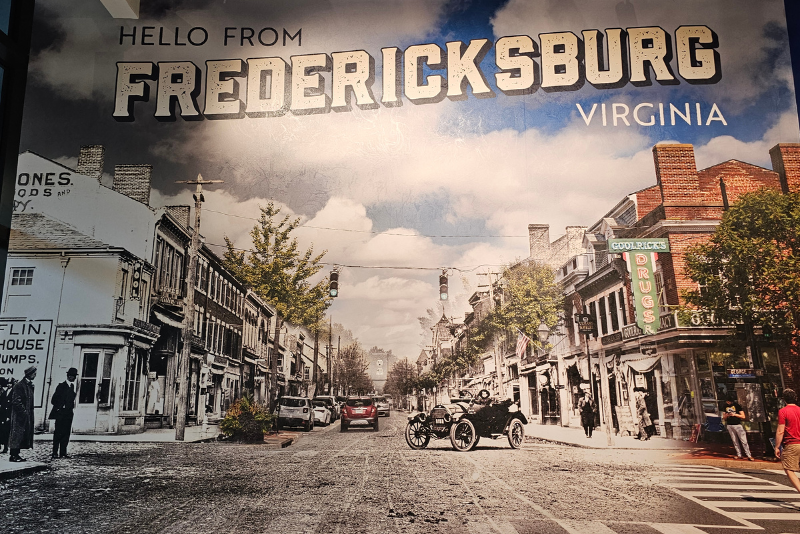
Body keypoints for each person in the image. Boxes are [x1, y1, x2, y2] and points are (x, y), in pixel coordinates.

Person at [774, 388, 800, 493]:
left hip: (792, 443)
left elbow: (781, 430)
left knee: (789, 469)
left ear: (784, 399)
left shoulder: (783, 411)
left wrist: (777, 446)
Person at [49, 367, 78, 459]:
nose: (74, 378)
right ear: (69, 376)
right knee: (58, 433)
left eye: (74, 376)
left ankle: (63, 452)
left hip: (69, 414)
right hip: (60, 413)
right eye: (73, 376)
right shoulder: (61, 386)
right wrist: (61, 406)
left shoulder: (73, 387)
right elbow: (53, 400)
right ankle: (54, 452)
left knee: (66, 433)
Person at [9, 366, 36, 462]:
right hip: (19, 416)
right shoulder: (20, 385)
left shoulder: (29, 385)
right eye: (34, 373)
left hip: (26, 416)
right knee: (17, 435)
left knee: (21, 435)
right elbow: (16, 401)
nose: (35, 375)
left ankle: (17, 454)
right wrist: (24, 413)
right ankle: (13, 455)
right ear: (30, 374)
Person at [723, 394, 753, 461]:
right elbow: (724, 417)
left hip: (737, 424)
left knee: (743, 440)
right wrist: (727, 415)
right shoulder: (725, 406)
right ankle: (739, 454)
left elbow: (743, 416)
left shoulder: (737, 406)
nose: (728, 403)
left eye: (729, 401)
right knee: (734, 440)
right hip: (729, 425)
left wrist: (735, 414)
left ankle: (748, 454)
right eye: (727, 401)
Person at [0, 377, 12, 453]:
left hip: (6, 414)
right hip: (2, 414)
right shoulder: (5, 392)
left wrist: (8, 416)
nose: (9, 385)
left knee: (5, 431)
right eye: (8, 383)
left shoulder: (12, 392)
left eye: (10, 383)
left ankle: (5, 447)